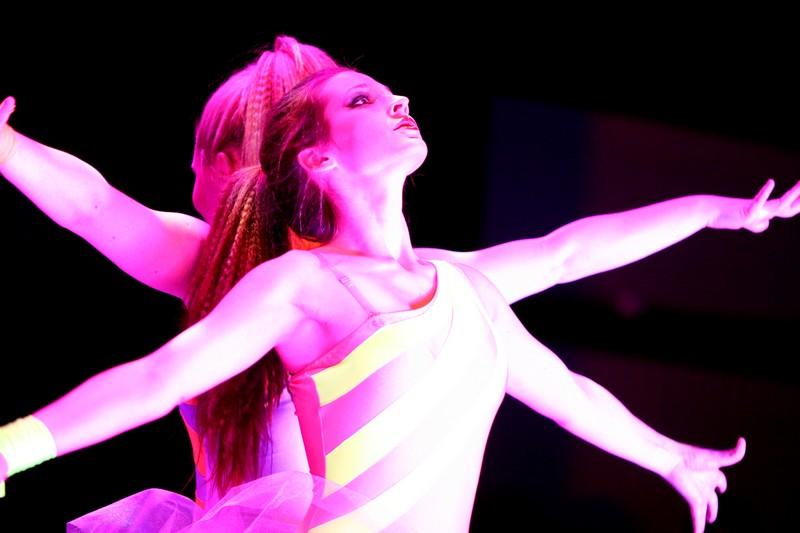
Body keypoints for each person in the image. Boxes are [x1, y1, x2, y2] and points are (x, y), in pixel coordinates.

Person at [0, 66, 751, 533]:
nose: (401, 101)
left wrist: (671, 457)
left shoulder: (467, 291)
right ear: (317, 158)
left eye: (391, 93)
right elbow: (158, 374)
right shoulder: (297, 284)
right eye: (366, 98)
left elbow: (570, 342)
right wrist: (15, 445)